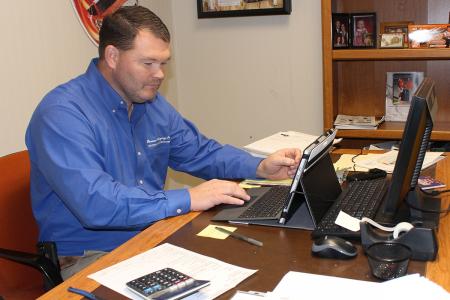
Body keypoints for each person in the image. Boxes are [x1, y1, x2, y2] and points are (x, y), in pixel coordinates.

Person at [25, 6, 301, 279]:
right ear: (112, 56)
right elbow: (96, 204)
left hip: (153, 235)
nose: (159, 74)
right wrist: (189, 197)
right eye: (148, 63)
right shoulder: (63, 114)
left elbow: (200, 152)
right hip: (91, 255)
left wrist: (260, 166)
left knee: (257, 266)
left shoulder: (150, 103)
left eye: (163, 63)